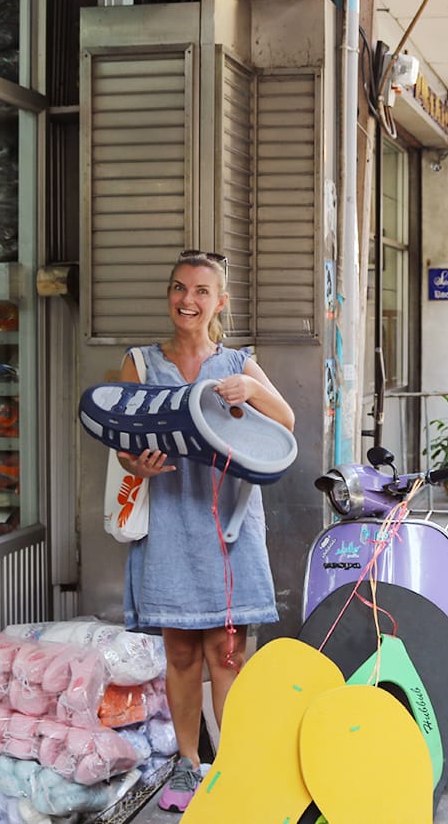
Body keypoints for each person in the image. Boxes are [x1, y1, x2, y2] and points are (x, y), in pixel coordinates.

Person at [114, 249, 295, 812]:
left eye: (200, 292)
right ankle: (188, 767)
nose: (187, 301)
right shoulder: (140, 363)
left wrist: (253, 391)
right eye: (178, 288)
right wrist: (134, 467)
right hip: (169, 518)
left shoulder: (238, 362)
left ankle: (234, 762)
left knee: (228, 652)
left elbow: (285, 422)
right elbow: (122, 444)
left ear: (220, 302)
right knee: (183, 653)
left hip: (229, 528)